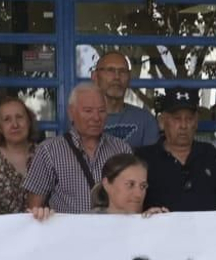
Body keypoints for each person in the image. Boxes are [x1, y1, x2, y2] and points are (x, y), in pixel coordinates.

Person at [24, 83, 134, 214]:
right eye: (88, 111)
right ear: (71, 113)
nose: (96, 117)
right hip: (68, 233)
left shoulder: (122, 149)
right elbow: (34, 208)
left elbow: (133, 199)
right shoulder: (49, 150)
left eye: (102, 111)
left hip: (112, 231)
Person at [137, 88, 216, 212]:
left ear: (196, 122)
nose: (183, 126)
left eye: (189, 119)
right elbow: (130, 206)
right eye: (177, 119)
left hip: (207, 230)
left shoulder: (209, 153)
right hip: (161, 231)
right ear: (162, 121)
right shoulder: (144, 158)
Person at [0, 94, 38, 215]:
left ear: (29, 121)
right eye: (7, 119)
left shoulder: (44, 154)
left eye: (19, 117)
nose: (15, 125)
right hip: (2, 230)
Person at [92, 51, 159, 148]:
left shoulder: (145, 120)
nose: (117, 77)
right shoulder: (83, 118)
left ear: (129, 78)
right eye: (110, 70)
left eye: (122, 71)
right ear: (95, 77)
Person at [94, 153, 168, 217]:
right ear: (106, 184)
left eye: (143, 186)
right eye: (130, 184)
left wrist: (160, 226)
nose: (138, 194)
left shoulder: (151, 223)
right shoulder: (85, 223)